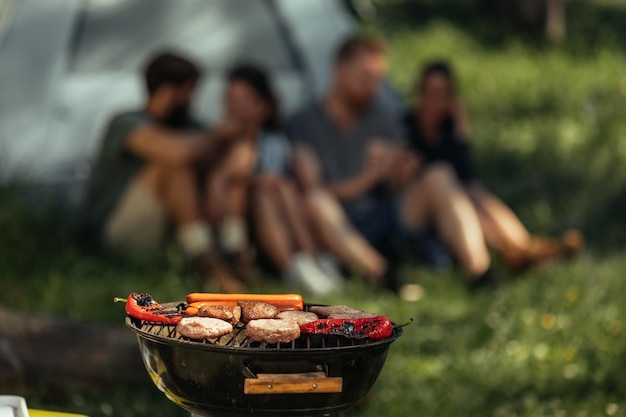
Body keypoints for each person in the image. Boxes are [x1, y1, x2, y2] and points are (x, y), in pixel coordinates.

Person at [287, 36, 497, 290]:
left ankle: (479, 270)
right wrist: (370, 176)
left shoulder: (384, 117)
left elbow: (397, 181)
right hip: (340, 222)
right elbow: (314, 190)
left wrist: (400, 170)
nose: (373, 87)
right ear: (340, 70)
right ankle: (383, 275)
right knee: (317, 202)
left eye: (378, 79)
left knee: (439, 174)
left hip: (386, 213)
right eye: (366, 76)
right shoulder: (304, 124)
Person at [81, 51, 245, 292]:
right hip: (115, 235)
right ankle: (210, 267)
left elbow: (222, 157)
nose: (192, 100)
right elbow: (179, 152)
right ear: (169, 91)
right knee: (172, 166)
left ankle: (235, 257)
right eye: (189, 92)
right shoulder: (126, 123)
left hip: (165, 236)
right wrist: (220, 135)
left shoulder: (189, 127)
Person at [221, 63, 386, 295]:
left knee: (284, 189)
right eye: (231, 99)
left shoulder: (276, 142)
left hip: (284, 216)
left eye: (246, 99)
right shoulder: (219, 142)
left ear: (264, 106)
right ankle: (300, 267)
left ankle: (310, 262)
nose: (237, 107)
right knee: (268, 191)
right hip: (243, 228)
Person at [404, 61, 584, 270]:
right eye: (430, 92)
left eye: (443, 95)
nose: (434, 101)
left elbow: (466, 174)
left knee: (474, 192)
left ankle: (522, 247)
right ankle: (519, 251)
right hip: (426, 212)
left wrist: (461, 130)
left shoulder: (448, 132)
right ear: (420, 92)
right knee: (467, 194)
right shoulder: (406, 127)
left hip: (459, 203)